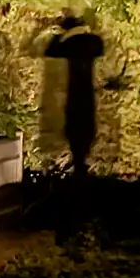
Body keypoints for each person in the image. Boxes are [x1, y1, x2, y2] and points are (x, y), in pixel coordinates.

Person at [45, 17, 104, 177]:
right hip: (85, 91)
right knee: (82, 122)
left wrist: (57, 35)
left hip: (75, 91)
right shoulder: (91, 41)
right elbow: (100, 46)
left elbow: (51, 51)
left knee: (78, 122)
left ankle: (79, 168)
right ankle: (80, 169)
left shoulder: (71, 43)